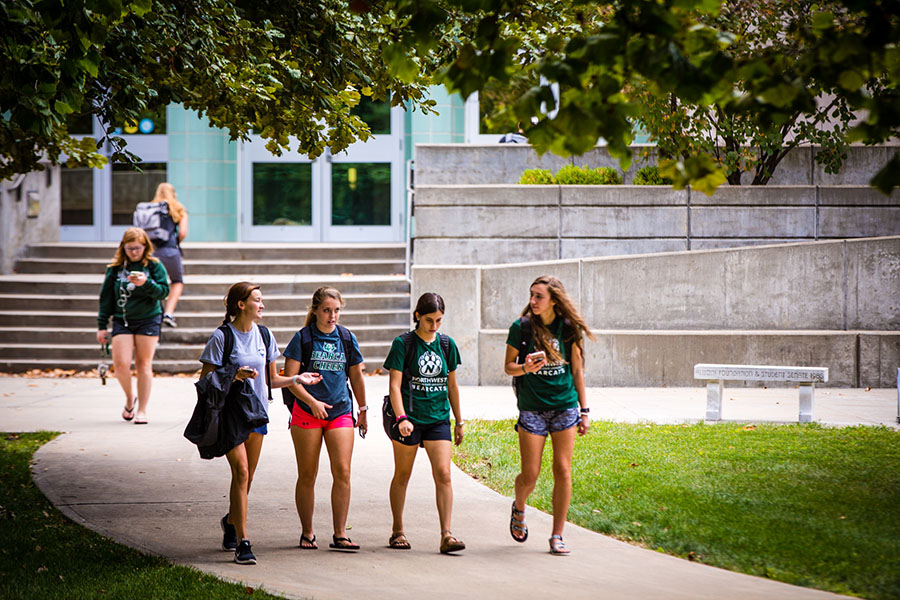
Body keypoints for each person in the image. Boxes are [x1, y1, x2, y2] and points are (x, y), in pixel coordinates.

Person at [199, 282, 321, 565]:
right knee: (241, 472)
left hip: (256, 412)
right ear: (241, 305)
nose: (262, 305)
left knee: (248, 477)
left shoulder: (264, 336)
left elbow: (272, 380)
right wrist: (233, 375)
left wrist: (296, 379)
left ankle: (231, 521)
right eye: (257, 300)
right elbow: (205, 380)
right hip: (229, 415)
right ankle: (243, 541)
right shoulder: (221, 337)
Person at [503, 275, 594, 555]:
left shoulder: (568, 329)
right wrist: (525, 367)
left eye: (539, 296)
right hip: (532, 408)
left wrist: (585, 410)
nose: (533, 301)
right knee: (530, 475)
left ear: (554, 299)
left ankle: (557, 534)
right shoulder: (521, 328)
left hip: (564, 406)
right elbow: (508, 367)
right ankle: (519, 505)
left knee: (563, 470)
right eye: (531, 295)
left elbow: (577, 371)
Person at [282, 287, 367, 551]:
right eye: (327, 311)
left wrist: (362, 410)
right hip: (307, 412)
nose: (332, 316)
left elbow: (356, 376)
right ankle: (307, 532)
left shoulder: (346, 337)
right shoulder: (303, 339)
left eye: (337, 311)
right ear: (316, 310)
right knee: (308, 474)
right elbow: (291, 380)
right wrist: (312, 402)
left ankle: (340, 533)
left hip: (340, 411)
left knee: (342, 471)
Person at [383, 292, 465, 554]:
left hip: (438, 418)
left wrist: (459, 421)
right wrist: (401, 418)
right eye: (429, 320)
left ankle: (447, 535)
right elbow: (394, 386)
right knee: (403, 476)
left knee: (444, 474)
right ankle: (397, 530)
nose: (434, 325)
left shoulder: (446, 344)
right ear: (417, 315)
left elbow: (452, 385)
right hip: (410, 419)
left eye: (439, 320)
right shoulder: (403, 344)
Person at [97, 227, 170, 425]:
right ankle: (130, 397)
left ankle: (142, 410)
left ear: (145, 246)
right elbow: (105, 299)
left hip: (149, 318)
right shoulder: (115, 269)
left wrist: (145, 283)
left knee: (143, 364)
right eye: (130, 249)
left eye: (138, 248)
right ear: (123, 248)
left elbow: (163, 292)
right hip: (123, 319)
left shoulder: (154, 266)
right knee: (120, 365)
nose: (134, 252)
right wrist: (102, 326)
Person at [149, 182, 188, 328]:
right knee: (177, 281)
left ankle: (157, 313)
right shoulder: (178, 208)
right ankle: (168, 313)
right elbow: (183, 232)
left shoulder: (150, 208)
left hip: (152, 251)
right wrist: (175, 241)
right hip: (170, 250)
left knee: (154, 282)